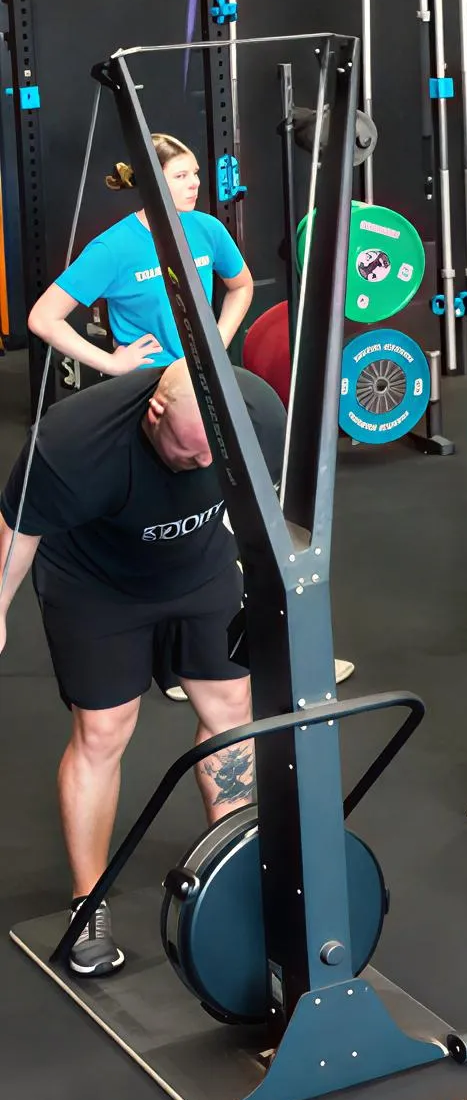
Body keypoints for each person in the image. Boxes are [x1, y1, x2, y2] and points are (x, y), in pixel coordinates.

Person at [0, 361, 285, 978]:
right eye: (187, 456)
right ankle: (88, 902)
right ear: (155, 416)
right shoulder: (74, 440)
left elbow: (269, 504)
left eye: (212, 457)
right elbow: (19, 531)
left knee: (232, 711)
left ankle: (235, 866)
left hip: (202, 568)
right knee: (104, 731)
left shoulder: (256, 412)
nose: (201, 467)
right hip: (95, 584)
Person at [28, 134, 254, 378]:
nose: (195, 183)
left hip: (203, 374)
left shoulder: (208, 229)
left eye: (195, 172)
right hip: (148, 379)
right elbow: (43, 318)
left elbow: (242, 285)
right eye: (180, 176)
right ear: (151, 182)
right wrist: (111, 364)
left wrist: (219, 342)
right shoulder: (112, 249)